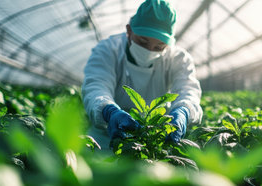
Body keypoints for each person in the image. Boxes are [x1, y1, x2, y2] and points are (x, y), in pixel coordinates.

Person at [81, 0, 203, 152]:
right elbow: (97, 86)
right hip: (106, 138)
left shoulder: (178, 58)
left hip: (153, 142)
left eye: (159, 47)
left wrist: (183, 110)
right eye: (143, 41)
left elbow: (188, 90)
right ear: (129, 30)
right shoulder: (108, 50)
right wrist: (108, 111)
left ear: (169, 44)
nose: (149, 50)